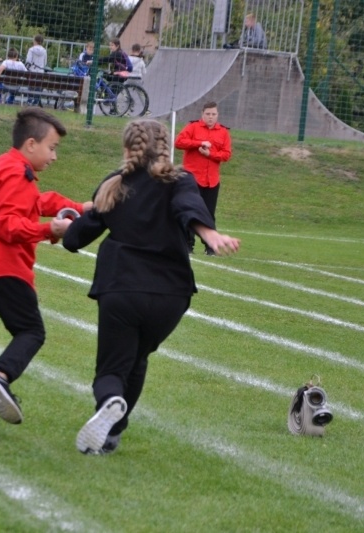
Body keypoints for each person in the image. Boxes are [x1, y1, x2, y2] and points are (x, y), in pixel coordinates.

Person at [63, 119, 241, 455]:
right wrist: (209, 234)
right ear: (165, 147)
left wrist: (65, 226)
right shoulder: (180, 180)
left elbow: (75, 239)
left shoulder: (114, 185)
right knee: (138, 358)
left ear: (127, 149)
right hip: (170, 295)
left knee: (112, 369)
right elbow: (188, 207)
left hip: (122, 289)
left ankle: (110, 404)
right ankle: (112, 435)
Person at [0, 108, 93, 436]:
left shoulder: (7, 166)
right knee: (31, 331)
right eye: (52, 148)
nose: (55, 156)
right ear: (31, 144)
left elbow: (36, 201)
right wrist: (49, 230)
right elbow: (8, 225)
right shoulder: (17, 173)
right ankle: (2, 376)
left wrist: (81, 207)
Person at [174, 102, 232, 255]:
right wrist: (198, 143)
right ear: (202, 114)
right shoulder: (193, 127)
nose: (210, 117)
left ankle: (210, 246)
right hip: (193, 179)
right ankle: (187, 244)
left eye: (213, 114)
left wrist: (210, 154)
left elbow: (226, 154)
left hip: (211, 180)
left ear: (217, 115)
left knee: (208, 213)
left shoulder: (223, 132)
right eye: (208, 114)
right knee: (189, 211)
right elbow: (179, 142)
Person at [25, 34, 48, 105]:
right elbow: (45, 62)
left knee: (31, 86)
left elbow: (28, 61)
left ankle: (29, 100)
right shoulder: (44, 51)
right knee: (38, 87)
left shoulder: (31, 49)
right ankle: (36, 101)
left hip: (32, 71)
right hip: (40, 72)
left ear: (35, 41)